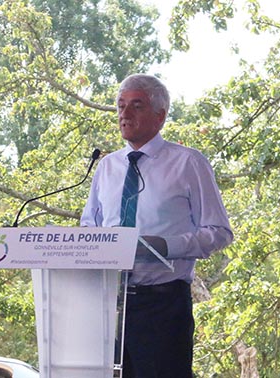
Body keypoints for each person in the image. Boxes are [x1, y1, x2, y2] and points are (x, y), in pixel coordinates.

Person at [80, 73, 233, 378]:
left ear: (160, 116)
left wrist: (166, 246)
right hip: (107, 304)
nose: (124, 114)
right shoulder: (107, 167)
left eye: (136, 106)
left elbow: (219, 232)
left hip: (162, 306)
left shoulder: (188, 163)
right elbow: (89, 225)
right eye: (120, 106)